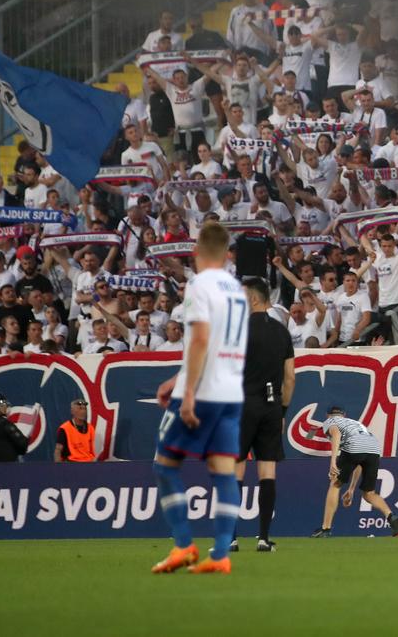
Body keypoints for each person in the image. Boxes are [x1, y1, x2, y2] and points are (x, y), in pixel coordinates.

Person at [149, 222, 249, 575]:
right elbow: (220, 343)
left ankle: (183, 546)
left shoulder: (199, 285)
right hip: (230, 392)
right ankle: (221, 554)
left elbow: (203, 339)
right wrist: (176, 377)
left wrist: (187, 392)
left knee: (164, 466)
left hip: (202, 392)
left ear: (196, 249)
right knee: (223, 471)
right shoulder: (236, 289)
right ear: (227, 253)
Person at [233, 277, 295, 553]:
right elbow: (290, 378)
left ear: (254, 299)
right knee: (267, 472)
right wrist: (282, 411)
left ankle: (230, 538)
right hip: (271, 406)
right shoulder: (282, 332)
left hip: (242, 405)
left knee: (234, 471)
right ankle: (263, 538)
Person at [314, 404, 398, 537]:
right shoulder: (356, 423)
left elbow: (336, 434)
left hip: (354, 446)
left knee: (335, 484)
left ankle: (325, 529)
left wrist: (332, 461)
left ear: (327, 415)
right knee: (369, 494)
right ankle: (391, 517)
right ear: (344, 415)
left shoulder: (330, 421)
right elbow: (359, 463)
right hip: (374, 448)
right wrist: (351, 489)